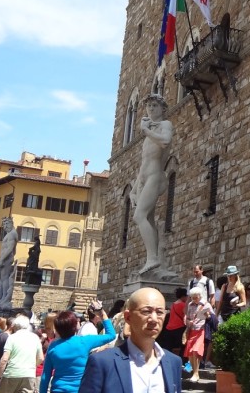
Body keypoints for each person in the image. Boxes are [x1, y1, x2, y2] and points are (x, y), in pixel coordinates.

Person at [78, 288, 182, 393]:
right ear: (128, 317)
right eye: (146, 311)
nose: (154, 319)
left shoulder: (173, 362)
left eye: (160, 312)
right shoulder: (102, 362)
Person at [130, 95, 173, 274]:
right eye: (148, 106)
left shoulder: (165, 125)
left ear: (162, 109)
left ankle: (152, 258)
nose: (151, 109)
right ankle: (156, 262)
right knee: (148, 219)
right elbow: (144, 162)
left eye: (154, 105)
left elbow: (165, 142)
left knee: (139, 216)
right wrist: (133, 190)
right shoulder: (149, 133)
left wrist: (146, 130)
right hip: (143, 178)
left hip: (156, 176)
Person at [37, 309, 115, 393]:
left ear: (57, 328)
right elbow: (111, 335)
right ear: (74, 326)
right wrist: (102, 313)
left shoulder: (53, 347)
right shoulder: (84, 341)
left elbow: (46, 376)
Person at [0, 316, 43, 393]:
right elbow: (41, 358)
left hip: (11, 374)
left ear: (15, 326)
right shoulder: (35, 338)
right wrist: (31, 366)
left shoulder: (12, 338)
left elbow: (4, 359)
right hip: (29, 375)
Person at [183, 287, 213, 383]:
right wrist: (189, 322)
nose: (194, 299)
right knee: (190, 353)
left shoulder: (205, 304)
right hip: (192, 330)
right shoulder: (190, 305)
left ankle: (196, 373)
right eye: (193, 297)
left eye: (196, 297)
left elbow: (212, 318)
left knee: (196, 350)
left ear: (200, 296)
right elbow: (187, 318)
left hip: (201, 330)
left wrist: (208, 315)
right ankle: (195, 372)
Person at [0, 218, 19, 307]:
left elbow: (10, 248)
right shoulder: (9, 234)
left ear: (12, 223)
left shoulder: (12, 234)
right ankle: (1, 298)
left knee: (5, 279)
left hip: (6, 259)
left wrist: (2, 260)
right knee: (2, 280)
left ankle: (4, 299)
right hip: (4, 259)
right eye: (4, 225)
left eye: (7, 224)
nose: (5, 226)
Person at [157, 289, 186, 356]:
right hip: (179, 328)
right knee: (183, 346)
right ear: (184, 296)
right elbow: (185, 316)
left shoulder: (173, 304)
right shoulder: (183, 305)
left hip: (169, 328)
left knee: (168, 347)